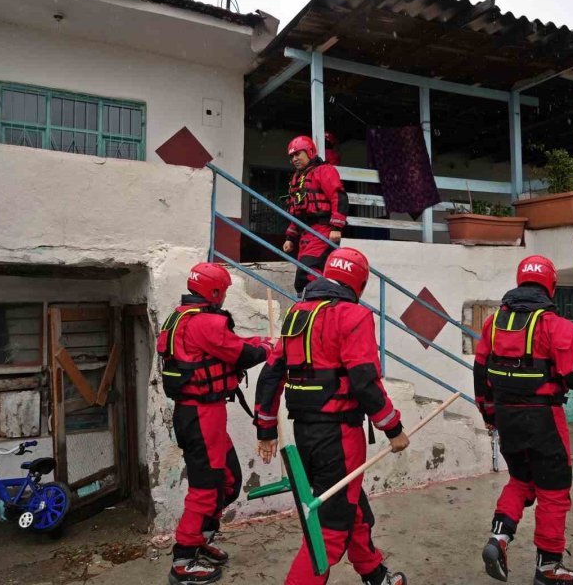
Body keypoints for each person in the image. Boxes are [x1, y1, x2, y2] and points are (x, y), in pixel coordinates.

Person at [254, 248, 410, 585]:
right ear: (361, 282)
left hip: (306, 434)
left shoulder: (297, 313)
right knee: (328, 530)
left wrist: (265, 427)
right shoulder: (354, 316)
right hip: (340, 436)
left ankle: (376, 575)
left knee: (350, 508)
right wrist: (392, 427)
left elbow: (271, 374)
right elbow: (365, 381)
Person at [475, 255, 573, 585]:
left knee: (521, 481)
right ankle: (549, 568)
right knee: (554, 491)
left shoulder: (492, 324)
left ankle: (499, 539)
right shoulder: (557, 326)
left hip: (507, 418)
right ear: (550, 286)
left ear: (520, 281)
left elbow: (481, 374)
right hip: (544, 420)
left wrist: (489, 414)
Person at [156, 262, 274, 585]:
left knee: (229, 479)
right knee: (206, 489)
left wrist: (258, 342)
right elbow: (238, 354)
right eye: (223, 292)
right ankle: (183, 559)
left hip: (204, 414)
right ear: (215, 292)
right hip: (200, 415)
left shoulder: (184, 316)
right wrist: (266, 348)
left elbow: (224, 345)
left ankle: (201, 538)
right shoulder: (205, 322)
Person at [282, 135, 349, 295]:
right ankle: (309, 304)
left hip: (323, 230)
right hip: (306, 234)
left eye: (298, 154)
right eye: (292, 156)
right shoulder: (297, 179)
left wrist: (336, 227)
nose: (294, 159)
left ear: (310, 152)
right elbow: (296, 210)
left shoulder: (324, 171)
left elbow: (338, 196)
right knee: (306, 276)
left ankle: (313, 305)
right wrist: (290, 237)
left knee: (308, 275)